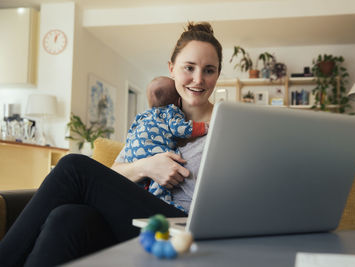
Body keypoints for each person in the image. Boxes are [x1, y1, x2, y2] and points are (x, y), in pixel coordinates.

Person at [0, 21, 221, 266]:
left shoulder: (227, 125)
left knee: (74, 166)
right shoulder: (153, 121)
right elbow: (114, 173)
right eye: (189, 67)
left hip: (183, 227)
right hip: (138, 220)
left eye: (209, 70)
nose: (198, 79)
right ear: (171, 68)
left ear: (218, 74)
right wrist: (146, 166)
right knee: (67, 217)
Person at [124, 76, 209, 211]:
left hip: (132, 153)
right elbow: (181, 129)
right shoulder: (170, 111)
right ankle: (164, 200)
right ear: (178, 101)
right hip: (153, 155)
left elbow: (130, 135)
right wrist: (204, 127)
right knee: (160, 177)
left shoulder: (142, 116)